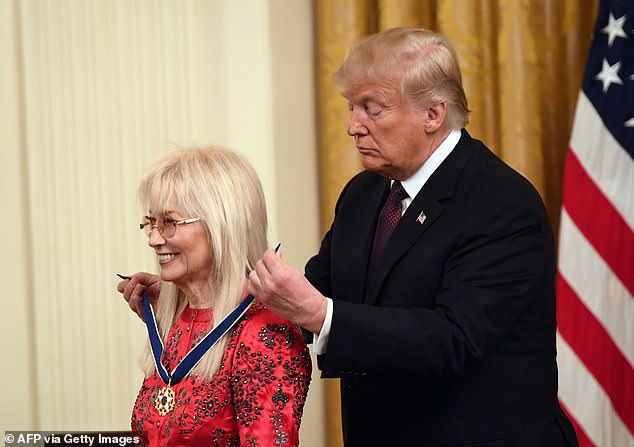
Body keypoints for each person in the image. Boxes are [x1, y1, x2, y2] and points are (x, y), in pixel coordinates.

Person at [121, 28, 578, 446]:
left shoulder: (501, 204)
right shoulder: (364, 193)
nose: (352, 125)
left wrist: (322, 315)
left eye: (371, 109)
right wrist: (198, 295)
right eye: (350, 107)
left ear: (433, 114)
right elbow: (308, 294)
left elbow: (453, 339)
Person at [120, 146, 311, 447]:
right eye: (151, 222)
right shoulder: (175, 318)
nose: (155, 239)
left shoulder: (263, 329)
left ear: (222, 225)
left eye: (169, 222)